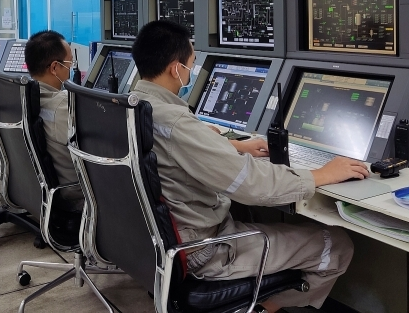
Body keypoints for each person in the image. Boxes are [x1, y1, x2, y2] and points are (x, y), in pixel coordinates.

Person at [131, 20, 366, 313]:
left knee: (245, 212)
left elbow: (170, 149)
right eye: (191, 65)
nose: (192, 72)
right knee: (337, 244)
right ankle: (266, 307)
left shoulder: (133, 107)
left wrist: (232, 145)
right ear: (175, 69)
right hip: (202, 251)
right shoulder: (176, 123)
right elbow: (253, 185)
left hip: (155, 244)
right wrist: (322, 174)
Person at [24, 30, 84, 210]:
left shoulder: (23, 97)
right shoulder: (64, 107)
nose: (71, 68)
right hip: (76, 195)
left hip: (34, 190)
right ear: (54, 67)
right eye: (69, 63)